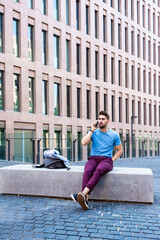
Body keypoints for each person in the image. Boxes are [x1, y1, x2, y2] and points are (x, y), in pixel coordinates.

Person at [71, 110, 123, 210]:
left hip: (106, 160)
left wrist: (111, 160)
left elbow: (120, 150)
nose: (100, 121)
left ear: (108, 121)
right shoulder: (94, 133)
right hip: (93, 158)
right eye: (99, 119)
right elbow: (83, 143)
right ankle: (84, 199)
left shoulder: (114, 135)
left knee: (99, 170)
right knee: (87, 170)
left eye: (103, 119)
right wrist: (92, 130)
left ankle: (82, 195)